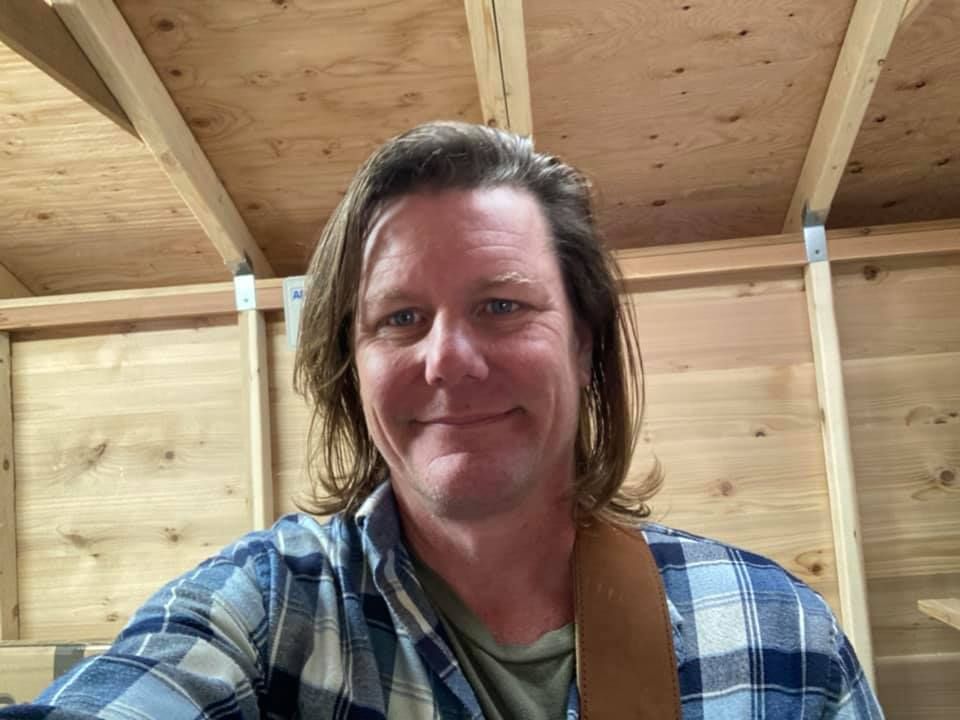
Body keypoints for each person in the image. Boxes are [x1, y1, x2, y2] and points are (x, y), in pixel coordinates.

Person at [1, 122, 882, 719]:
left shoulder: (779, 632)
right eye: (400, 318)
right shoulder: (261, 615)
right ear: (353, 369)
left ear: (583, 345)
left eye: (501, 306)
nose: (448, 360)